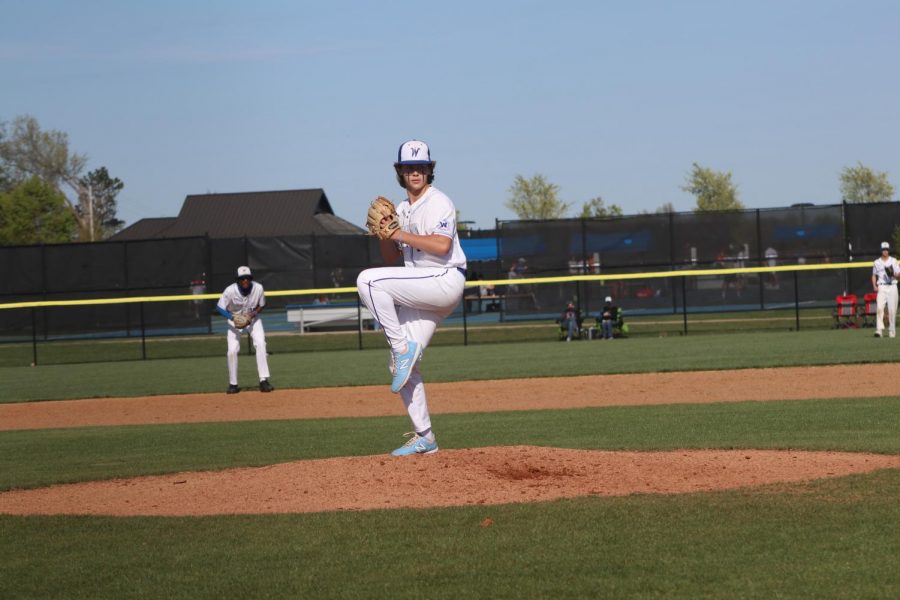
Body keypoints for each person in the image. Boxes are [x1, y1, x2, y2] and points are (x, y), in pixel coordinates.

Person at [357, 140, 467, 457]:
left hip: (444, 279)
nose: (415, 172)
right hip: (420, 289)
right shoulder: (401, 209)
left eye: (421, 167)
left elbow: (442, 247)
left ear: (429, 170)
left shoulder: (439, 202)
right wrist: (384, 235)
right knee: (399, 366)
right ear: (400, 172)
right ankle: (426, 437)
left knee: (367, 280)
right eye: (409, 167)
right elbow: (392, 257)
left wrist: (399, 233)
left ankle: (403, 347)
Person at [215, 266, 274, 393]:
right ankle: (233, 384)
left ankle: (264, 380)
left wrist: (251, 315)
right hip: (234, 321)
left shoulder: (258, 288)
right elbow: (219, 307)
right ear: (238, 280)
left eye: (247, 278)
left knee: (261, 344)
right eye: (242, 278)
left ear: (251, 278)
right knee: (231, 351)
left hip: (253, 320)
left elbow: (262, 305)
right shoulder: (230, 290)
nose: (245, 280)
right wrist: (232, 317)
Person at [871, 241, 900, 338]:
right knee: (879, 308)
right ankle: (879, 330)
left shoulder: (893, 260)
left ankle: (892, 331)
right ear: (881, 250)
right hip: (882, 286)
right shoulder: (876, 262)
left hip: (892, 286)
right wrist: (874, 285)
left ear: (889, 250)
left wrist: (894, 274)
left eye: (887, 249)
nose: (885, 251)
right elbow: (874, 275)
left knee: (892, 310)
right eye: (883, 249)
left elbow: (898, 274)